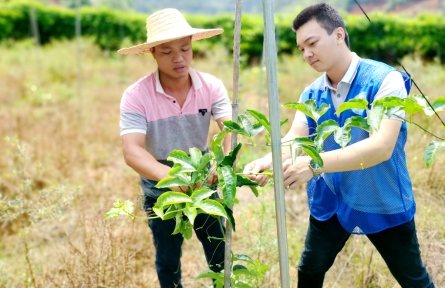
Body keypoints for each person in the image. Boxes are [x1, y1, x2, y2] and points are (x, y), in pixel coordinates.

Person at [243, 3, 435, 288]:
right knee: (309, 270)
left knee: (413, 279)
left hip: (381, 198)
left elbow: (381, 146)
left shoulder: (384, 80)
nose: (307, 54)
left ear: (339, 35)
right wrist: (267, 160)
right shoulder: (312, 93)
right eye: (301, 49)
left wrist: (313, 164)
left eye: (312, 43)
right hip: (331, 200)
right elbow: (296, 138)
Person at [117, 8, 232, 288]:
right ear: (152, 53)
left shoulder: (211, 87)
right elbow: (132, 151)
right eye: (167, 51)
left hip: (204, 179)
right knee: (167, 258)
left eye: (185, 48)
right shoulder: (136, 95)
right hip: (160, 188)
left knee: (218, 250)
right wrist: (171, 179)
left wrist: (223, 163)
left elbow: (231, 132)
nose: (179, 58)